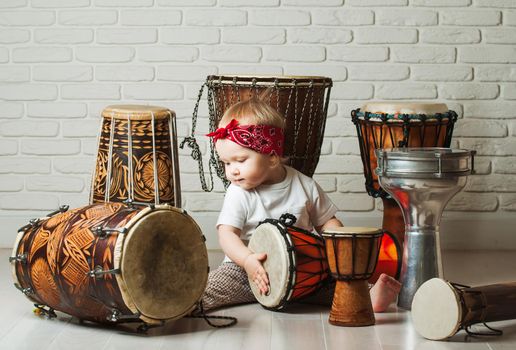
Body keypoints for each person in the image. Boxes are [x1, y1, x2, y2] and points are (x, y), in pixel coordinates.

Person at [200, 98, 401, 313]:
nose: (232, 171)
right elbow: (227, 235)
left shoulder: (304, 185)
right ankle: (182, 302)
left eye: (240, 160)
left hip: (302, 270)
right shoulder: (238, 192)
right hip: (244, 271)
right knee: (208, 289)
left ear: (272, 157)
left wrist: (337, 245)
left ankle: (369, 297)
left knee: (338, 285)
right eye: (226, 163)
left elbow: (327, 222)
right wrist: (247, 260)